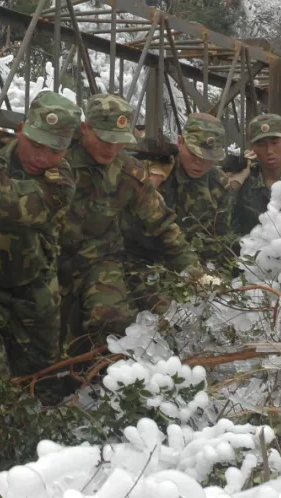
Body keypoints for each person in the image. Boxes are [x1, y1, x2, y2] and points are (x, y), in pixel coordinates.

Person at [0, 89, 78, 448]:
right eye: (36, 144)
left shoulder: (61, 180)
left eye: (55, 150)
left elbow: (9, 203)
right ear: (20, 129)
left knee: (41, 379)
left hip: (33, 289)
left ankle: (42, 451)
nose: (43, 157)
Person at [58, 94, 197, 349]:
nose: (111, 149)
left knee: (114, 320)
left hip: (98, 261)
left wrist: (194, 273)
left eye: (119, 141)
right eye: (103, 139)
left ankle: (105, 378)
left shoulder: (128, 172)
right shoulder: (57, 157)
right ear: (84, 128)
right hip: (48, 259)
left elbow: (163, 225)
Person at [156, 113, 234, 268]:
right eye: (193, 153)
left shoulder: (219, 184)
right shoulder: (158, 173)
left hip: (199, 266)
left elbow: (219, 238)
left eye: (208, 157)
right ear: (180, 142)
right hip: (155, 263)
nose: (200, 163)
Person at [231, 114, 281, 236]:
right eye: (261, 144)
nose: (269, 150)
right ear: (252, 147)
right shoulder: (245, 180)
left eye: (275, 142)